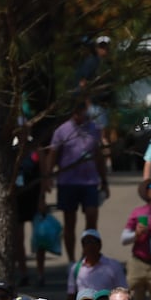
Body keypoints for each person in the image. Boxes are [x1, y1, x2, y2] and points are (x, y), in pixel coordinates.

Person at [43, 101, 108, 262]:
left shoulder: (94, 129)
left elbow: (98, 155)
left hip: (90, 181)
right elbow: (52, 154)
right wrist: (47, 176)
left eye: (82, 111)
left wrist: (104, 180)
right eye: (76, 112)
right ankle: (71, 260)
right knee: (70, 221)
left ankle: (87, 254)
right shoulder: (62, 130)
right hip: (68, 182)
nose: (79, 115)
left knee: (92, 216)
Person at [65, 229, 126, 300]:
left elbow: (123, 291)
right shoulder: (75, 268)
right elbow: (71, 295)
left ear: (100, 245)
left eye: (93, 241)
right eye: (86, 242)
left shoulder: (114, 266)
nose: (89, 245)